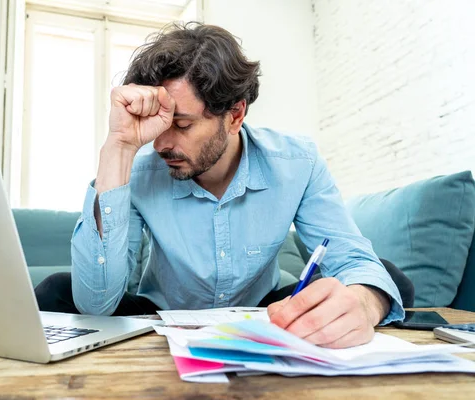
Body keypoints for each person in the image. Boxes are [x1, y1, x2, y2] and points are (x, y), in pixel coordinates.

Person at [35, 22, 413, 349]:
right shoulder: (138, 172)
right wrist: (117, 148)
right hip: (160, 316)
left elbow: (353, 258)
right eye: (156, 127)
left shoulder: (298, 163)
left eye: (181, 125)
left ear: (234, 115)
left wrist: (363, 304)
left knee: (385, 279)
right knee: (55, 290)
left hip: (262, 311)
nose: (161, 144)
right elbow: (96, 303)